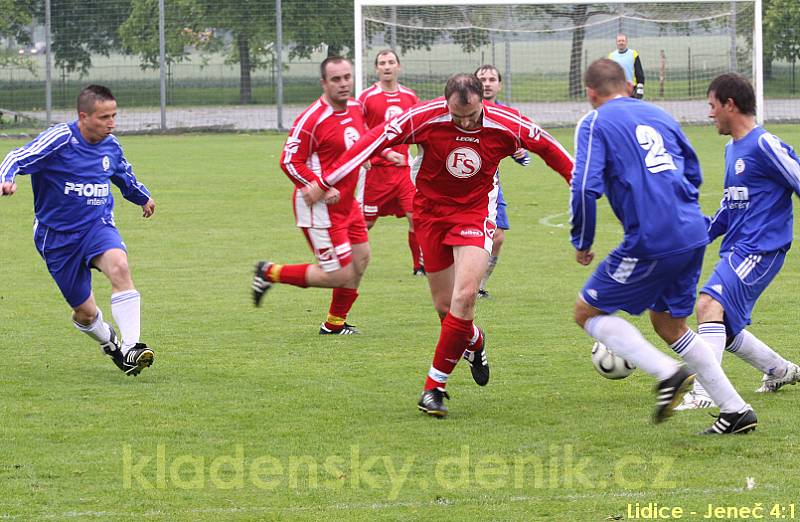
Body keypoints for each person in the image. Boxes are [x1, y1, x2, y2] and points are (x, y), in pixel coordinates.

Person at [311, 73, 574, 417]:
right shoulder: (423, 117)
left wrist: (581, 186)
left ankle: (434, 388)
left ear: (483, 101)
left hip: (474, 213)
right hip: (430, 214)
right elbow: (372, 141)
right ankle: (475, 341)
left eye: (471, 115)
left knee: (464, 297)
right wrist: (325, 180)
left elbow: (553, 151)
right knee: (444, 308)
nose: (464, 122)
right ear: (445, 101)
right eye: (456, 115)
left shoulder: (507, 123)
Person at [570, 59, 756, 435]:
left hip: (651, 237)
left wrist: (583, 241)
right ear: (626, 85)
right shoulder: (660, 115)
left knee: (587, 311)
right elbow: (693, 171)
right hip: (691, 232)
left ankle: (668, 373)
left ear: (591, 93)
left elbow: (584, 189)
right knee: (669, 323)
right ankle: (736, 410)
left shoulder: (594, 122)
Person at [0, 84, 156, 376]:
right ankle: (110, 343)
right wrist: (5, 178)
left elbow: (124, 176)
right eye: (104, 117)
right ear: (83, 117)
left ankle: (132, 347)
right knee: (85, 314)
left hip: (97, 226)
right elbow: (17, 157)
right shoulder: (59, 139)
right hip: (56, 237)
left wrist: (143, 197)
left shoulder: (112, 145)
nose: (111, 123)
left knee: (120, 267)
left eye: (114, 115)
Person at [675, 73, 800, 410]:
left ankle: (704, 394)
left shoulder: (764, 144)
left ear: (730, 104)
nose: (709, 113)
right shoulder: (733, 149)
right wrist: (698, 235)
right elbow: (731, 206)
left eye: (712, 105)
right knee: (723, 327)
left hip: (761, 249)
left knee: (707, 306)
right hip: (738, 248)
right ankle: (779, 370)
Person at [251, 57, 371, 335]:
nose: (343, 84)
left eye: (346, 77)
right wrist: (319, 185)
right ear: (324, 83)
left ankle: (334, 324)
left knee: (361, 258)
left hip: (347, 203)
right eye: (336, 79)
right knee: (339, 274)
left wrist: (368, 156)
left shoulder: (356, 108)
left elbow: (359, 140)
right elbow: (289, 161)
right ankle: (269, 272)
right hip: (320, 208)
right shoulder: (312, 118)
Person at [358, 49, 425, 276]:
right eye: (382, 63)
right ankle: (348, 261)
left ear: (399, 67)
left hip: (403, 171)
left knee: (415, 218)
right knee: (365, 224)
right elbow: (359, 130)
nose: (387, 67)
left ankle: (419, 267)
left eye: (391, 62)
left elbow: (419, 130)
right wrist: (372, 156)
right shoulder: (366, 98)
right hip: (376, 172)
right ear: (376, 68)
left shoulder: (410, 96)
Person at [474, 64, 530, 298]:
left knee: (497, 237)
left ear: (499, 85)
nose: (487, 83)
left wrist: (519, 153)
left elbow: (520, 150)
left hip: (492, 185)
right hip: (462, 184)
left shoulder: (506, 114)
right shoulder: (463, 107)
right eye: (482, 79)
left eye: (491, 79)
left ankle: (479, 286)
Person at [608, 34, 645, 99]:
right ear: (616, 42)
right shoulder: (611, 56)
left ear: (626, 42)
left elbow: (639, 72)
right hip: (617, 88)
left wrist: (640, 86)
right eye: (619, 41)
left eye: (623, 41)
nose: (621, 43)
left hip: (631, 87)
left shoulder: (633, 54)